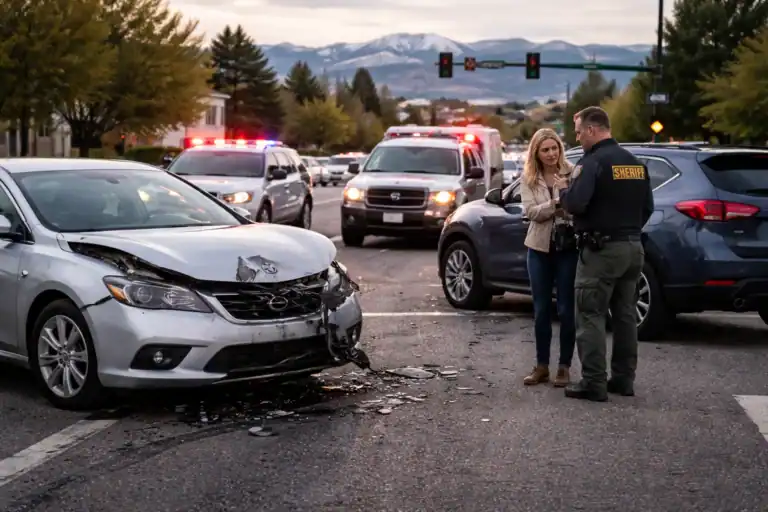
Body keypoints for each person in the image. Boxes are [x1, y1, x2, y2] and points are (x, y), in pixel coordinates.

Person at [556, 106, 654, 402]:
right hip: (633, 248)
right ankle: (624, 379)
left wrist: (563, 192)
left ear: (591, 130)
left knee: (590, 314)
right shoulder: (635, 163)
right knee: (625, 316)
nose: (577, 138)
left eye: (578, 132)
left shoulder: (593, 163)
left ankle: (593, 382)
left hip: (601, 251)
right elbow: (647, 207)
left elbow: (576, 204)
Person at [519, 128, 578, 388]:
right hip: (539, 248)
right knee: (541, 309)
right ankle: (541, 365)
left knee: (566, 309)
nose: (552, 154)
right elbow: (531, 212)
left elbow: (579, 206)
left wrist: (566, 200)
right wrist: (557, 203)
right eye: (546, 150)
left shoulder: (574, 172)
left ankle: (564, 366)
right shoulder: (529, 178)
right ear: (537, 153)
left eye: (555, 148)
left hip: (568, 249)